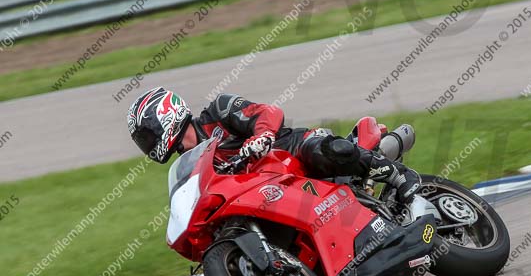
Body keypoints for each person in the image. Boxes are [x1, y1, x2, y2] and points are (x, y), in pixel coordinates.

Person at [126, 87, 420, 203]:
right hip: (270, 191)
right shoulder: (192, 166)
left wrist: (261, 136)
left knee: (328, 150)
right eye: (143, 141)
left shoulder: (218, 111)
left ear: (165, 116)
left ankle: (398, 174)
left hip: (291, 150)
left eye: (147, 135)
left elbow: (268, 112)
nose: (147, 144)